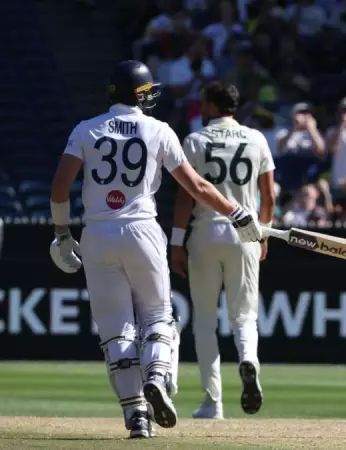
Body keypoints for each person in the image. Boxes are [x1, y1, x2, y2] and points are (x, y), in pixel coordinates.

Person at [48, 61, 261, 438]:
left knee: (116, 330)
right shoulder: (159, 130)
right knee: (159, 318)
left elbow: (59, 188)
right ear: (141, 94)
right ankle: (159, 380)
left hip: (97, 232)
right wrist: (237, 213)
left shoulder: (86, 129)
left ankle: (137, 418)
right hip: (143, 230)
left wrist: (63, 234)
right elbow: (196, 186)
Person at [170, 81, 276, 420]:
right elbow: (269, 195)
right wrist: (263, 235)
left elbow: (186, 196)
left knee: (203, 320)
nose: (201, 109)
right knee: (244, 315)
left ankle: (212, 402)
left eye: (204, 103)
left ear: (214, 106)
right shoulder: (256, 139)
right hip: (245, 232)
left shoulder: (195, 140)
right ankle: (248, 360)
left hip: (204, 231)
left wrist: (175, 242)